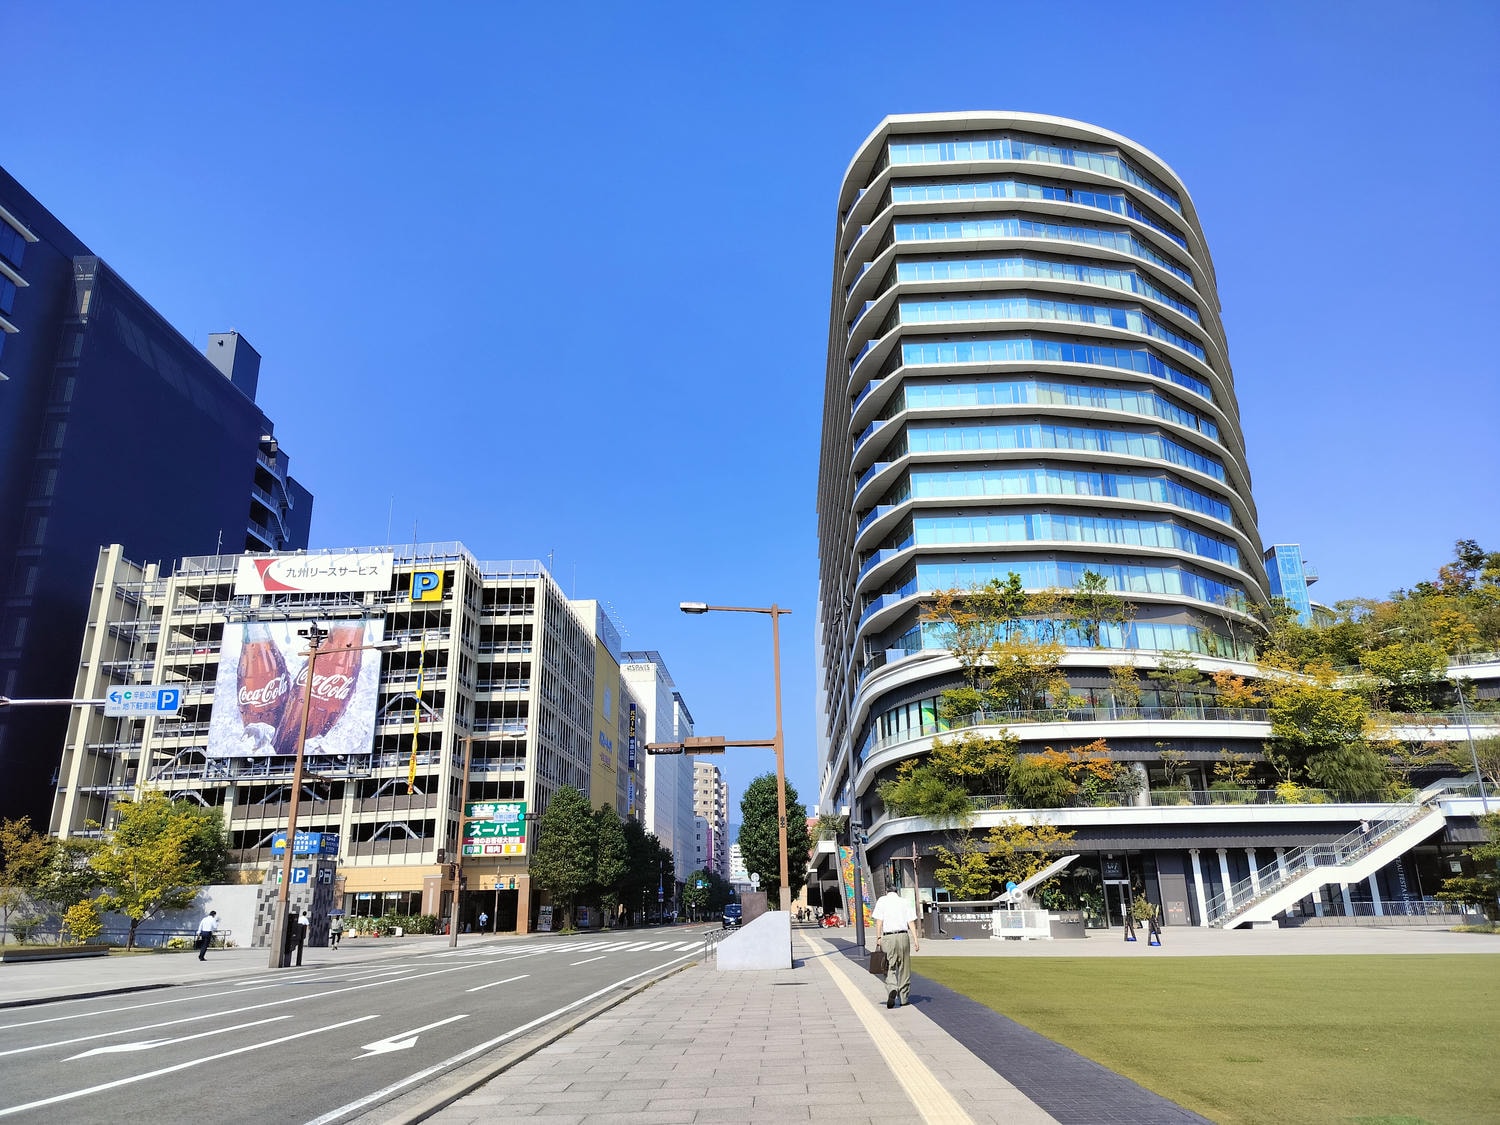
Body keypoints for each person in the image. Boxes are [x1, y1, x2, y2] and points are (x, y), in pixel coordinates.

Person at [872, 889, 920, 1009]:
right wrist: (915, 940)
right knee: (904, 967)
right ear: (897, 891)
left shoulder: (882, 901)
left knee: (888, 965)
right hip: (903, 936)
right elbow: (911, 922)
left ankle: (892, 988)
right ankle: (903, 998)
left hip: (888, 937)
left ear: (886, 891)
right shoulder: (904, 901)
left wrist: (878, 937)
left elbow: (879, 921)